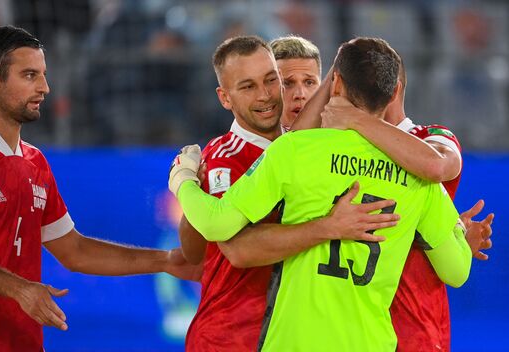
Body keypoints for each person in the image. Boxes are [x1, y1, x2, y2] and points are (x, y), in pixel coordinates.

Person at [169, 37, 473, 351]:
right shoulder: (416, 172)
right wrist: (457, 229)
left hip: (292, 341)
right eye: (286, 82)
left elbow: (217, 225)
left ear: (332, 84)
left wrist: (182, 177)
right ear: (393, 91)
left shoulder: (295, 151)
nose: (298, 93)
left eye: (311, 81)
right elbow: (457, 270)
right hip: (372, 341)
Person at [0, 25, 199, 351]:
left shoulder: (35, 162)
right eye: (29, 75)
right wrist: (20, 289)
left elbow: (74, 251)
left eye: (43, 74)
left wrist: (167, 260)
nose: (44, 87)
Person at [308, 53, 494, 351]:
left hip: (414, 329)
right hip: (346, 329)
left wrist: (357, 119)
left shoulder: (431, 137)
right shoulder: (338, 149)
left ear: (393, 89)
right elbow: (289, 146)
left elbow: (438, 165)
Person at [270, 35, 321, 132]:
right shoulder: (250, 145)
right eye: (287, 83)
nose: (300, 95)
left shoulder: (341, 140)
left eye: (309, 82)